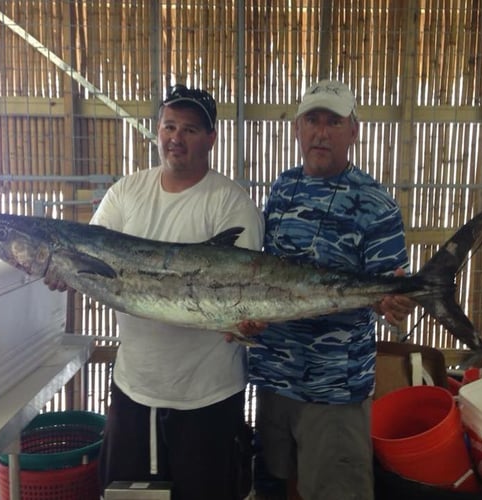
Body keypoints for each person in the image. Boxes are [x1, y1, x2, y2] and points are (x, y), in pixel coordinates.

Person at [47, 84, 264, 499]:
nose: (176, 138)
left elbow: (247, 294)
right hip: (136, 389)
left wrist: (249, 324)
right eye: (168, 126)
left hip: (209, 394)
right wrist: (66, 272)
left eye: (190, 129)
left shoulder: (231, 204)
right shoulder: (126, 194)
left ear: (211, 138)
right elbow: (87, 257)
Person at [243, 80, 415, 500]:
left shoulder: (375, 203)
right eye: (313, 120)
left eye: (333, 122)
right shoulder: (282, 188)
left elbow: (391, 290)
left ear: (353, 132)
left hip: (334, 390)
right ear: (298, 129)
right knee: (276, 486)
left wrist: (396, 301)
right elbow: (267, 275)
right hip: (273, 379)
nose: (321, 132)